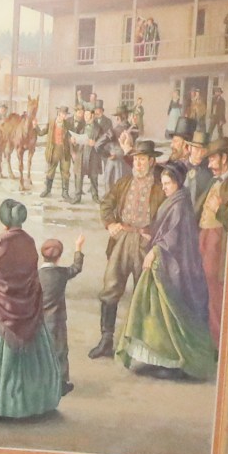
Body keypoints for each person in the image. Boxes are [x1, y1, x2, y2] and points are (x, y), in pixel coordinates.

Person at [0, 198, 66, 420]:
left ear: (4, 220)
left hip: (1, 307)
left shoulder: (2, 241)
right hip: (26, 306)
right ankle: (30, 402)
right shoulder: (28, 241)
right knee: (32, 358)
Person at [116, 160, 219, 380]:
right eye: (162, 183)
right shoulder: (174, 200)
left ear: (178, 183)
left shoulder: (181, 204)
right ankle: (159, 356)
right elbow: (164, 229)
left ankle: (174, 360)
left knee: (167, 313)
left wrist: (155, 250)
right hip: (163, 262)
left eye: (167, 184)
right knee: (153, 311)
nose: (163, 187)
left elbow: (174, 237)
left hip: (174, 267)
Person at [90, 139, 163, 360]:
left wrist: (155, 233)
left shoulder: (161, 187)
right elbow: (106, 203)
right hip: (122, 240)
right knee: (111, 287)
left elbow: (169, 216)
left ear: (152, 161)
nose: (138, 164)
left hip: (146, 243)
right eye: (135, 160)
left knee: (145, 292)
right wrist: (111, 223)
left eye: (142, 160)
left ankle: (142, 346)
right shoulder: (124, 182)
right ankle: (106, 340)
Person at [38, 235, 86, 390]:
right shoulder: (62, 273)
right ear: (59, 258)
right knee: (60, 350)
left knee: (41, 350)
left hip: (39, 319)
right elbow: (76, 267)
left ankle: (42, 380)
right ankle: (61, 382)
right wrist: (78, 247)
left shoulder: (36, 275)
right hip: (57, 319)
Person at [199, 139, 228, 338]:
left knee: (214, 288)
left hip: (218, 243)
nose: (210, 165)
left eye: (213, 160)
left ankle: (218, 340)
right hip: (204, 237)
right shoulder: (215, 181)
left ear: (225, 158)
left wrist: (218, 209)